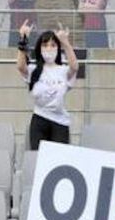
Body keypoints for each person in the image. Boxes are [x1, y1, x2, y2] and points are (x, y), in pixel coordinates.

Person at [16, 21, 78, 150]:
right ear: (40, 48)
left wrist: (65, 43)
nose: (49, 48)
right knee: (38, 158)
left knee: (58, 160)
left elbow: (74, 67)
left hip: (60, 121)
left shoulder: (63, 70)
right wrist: (23, 39)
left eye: (53, 45)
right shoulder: (34, 70)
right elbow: (21, 66)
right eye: (45, 45)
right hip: (39, 119)